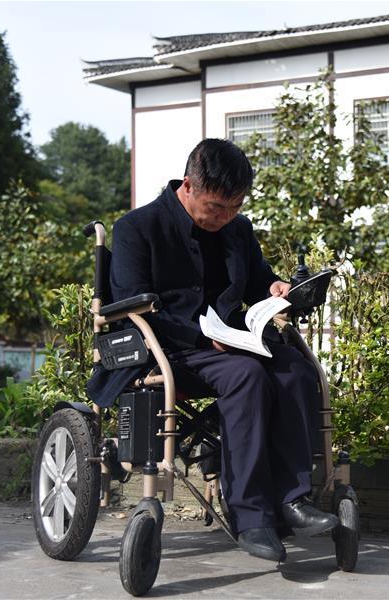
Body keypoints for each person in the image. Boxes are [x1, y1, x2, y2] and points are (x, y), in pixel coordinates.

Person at [107, 138, 337, 562]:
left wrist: (275, 288)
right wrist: (199, 337)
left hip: (231, 345)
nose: (225, 218)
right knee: (246, 376)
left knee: (295, 369)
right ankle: (251, 517)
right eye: (216, 208)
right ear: (189, 185)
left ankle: (292, 501)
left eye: (234, 208)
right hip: (168, 349)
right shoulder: (136, 228)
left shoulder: (237, 229)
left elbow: (256, 281)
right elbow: (131, 307)